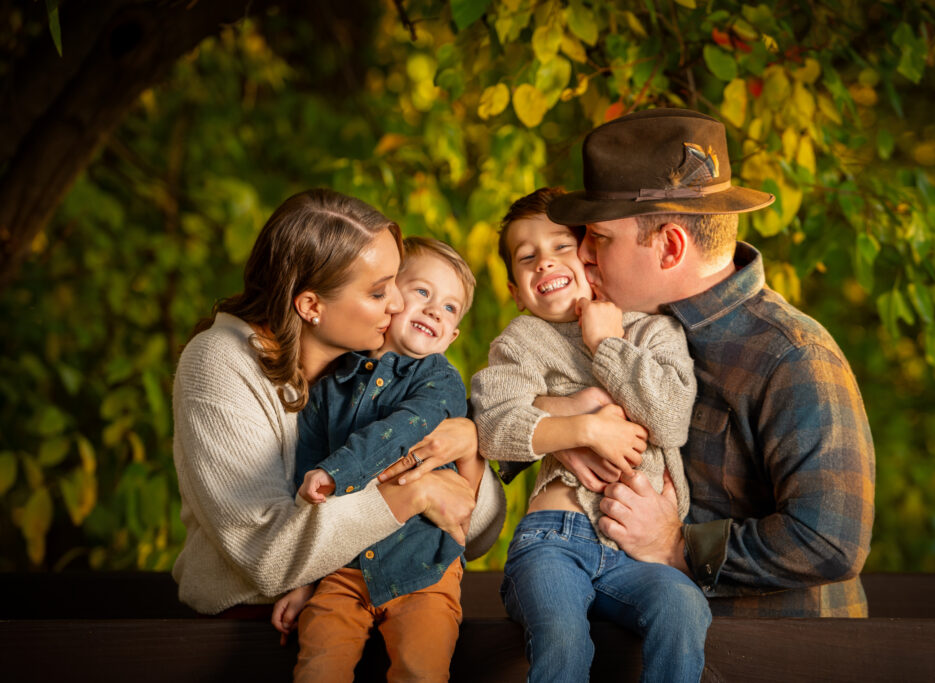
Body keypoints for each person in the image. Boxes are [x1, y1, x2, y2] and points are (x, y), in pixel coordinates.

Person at [538, 108, 875, 618]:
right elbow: (507, 405)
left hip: (780, 660)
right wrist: (562, 425)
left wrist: (678, 546)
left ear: (670, 246)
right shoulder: (611, 325)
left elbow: (830, 539)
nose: (580, 254)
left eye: (600, 238)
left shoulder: (792, 354)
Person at [171, 189, 505, 621]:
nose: (401, 304)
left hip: (374, 602)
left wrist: (466, 448)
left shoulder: (366, 363)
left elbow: (474, 531)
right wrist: (416, 492)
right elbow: (266, 558)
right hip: (251, 627)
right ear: (311, 305)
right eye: (380, 292)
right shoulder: (219, 362)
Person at [471, 188, 710, 682]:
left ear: (590, 258)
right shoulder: (522, 340)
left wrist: (607, 343)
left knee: (684, 606)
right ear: (515, 290)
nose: (544, 263)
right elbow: (493, 424)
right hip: (552, 540)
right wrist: (584, 427)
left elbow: (669, 421)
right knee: (562, 637)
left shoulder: (652, 331)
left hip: (636, 554)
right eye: (526, 257)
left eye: (561, 246)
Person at [272, 237, 484, 681]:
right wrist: (302, 579)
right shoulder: (332, 384)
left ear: (453, 335)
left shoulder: (439, 381)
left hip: (422, 567)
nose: (433, 310)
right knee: (317, 670)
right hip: (342, 570)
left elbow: (406, 429)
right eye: (422, 292)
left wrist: (337, 473)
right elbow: (304, 479)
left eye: (449, 308)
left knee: (421, 672)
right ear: (388, 297)